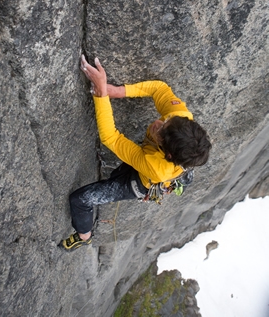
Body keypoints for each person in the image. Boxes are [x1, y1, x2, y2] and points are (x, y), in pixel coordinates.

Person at [59, 55, 211, 251]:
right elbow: (160, 89)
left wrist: (101, 93)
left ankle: (84, 236)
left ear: (169, 155)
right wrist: (118, 91)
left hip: (144, 181)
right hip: (166, 164)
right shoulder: (180, 117)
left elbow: (111, 138)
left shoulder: (156, 166)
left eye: (160, 132)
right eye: (165, 121)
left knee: (80, 200)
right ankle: (182, 177)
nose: (158, 124)